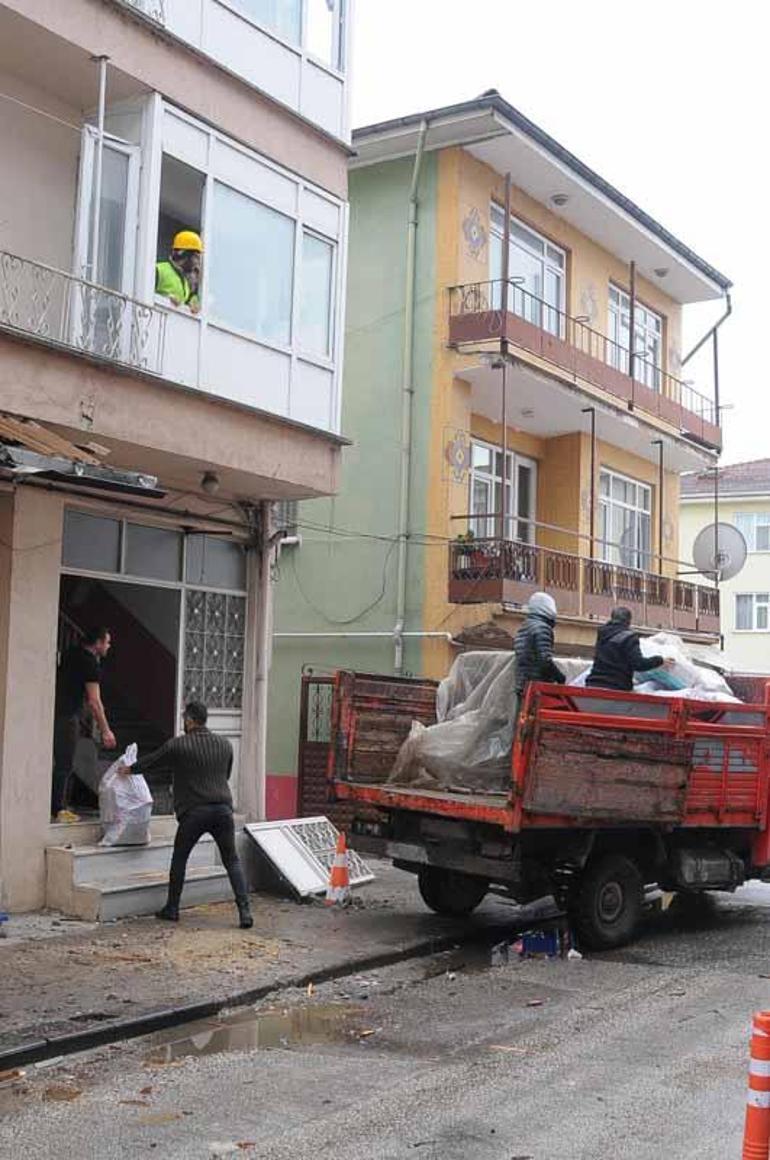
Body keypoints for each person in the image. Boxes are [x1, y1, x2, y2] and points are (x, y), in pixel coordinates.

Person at [125, 701, 253, 929]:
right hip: (223, 810)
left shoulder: (178, 745)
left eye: (185, 718)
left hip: (194, 812)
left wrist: (129, 769)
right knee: (232, 860)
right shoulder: (225, 745)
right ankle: (245, 912)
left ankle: (172, 908)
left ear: (190, 720)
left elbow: (152, 761)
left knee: (180, 857)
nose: (184, 722)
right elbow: (224, 774)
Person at [52, 626, 116, 821]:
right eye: (107, 642)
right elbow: (95, 702)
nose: (109, 646)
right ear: (97, 643)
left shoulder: (71, 653)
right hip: (67, 715)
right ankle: (58, 809)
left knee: (59, 761)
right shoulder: (89, 664)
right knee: (65, 763)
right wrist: (106, 731)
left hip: (55, 711)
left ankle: (58, 805)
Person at [586, 607, 669, 692]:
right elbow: (639, 664)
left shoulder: (602, 634)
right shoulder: (629, 637)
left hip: (593, 684)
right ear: (629, 621)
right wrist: (660, 660)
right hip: (616, 687)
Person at [513, 591, 566, 719]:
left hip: (523, 683)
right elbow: (545, 659)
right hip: (536, 685)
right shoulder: (542, 628)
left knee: (523, 722)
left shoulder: (525, 626)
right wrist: (560, 677)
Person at [155, 230, 203, 313]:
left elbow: (187, 300)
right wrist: (166, 299)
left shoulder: (184, 281)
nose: (197, 263)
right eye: (196, 257)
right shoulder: (159, 270)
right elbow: (144, 292)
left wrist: (194, 303)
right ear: (183, 254)